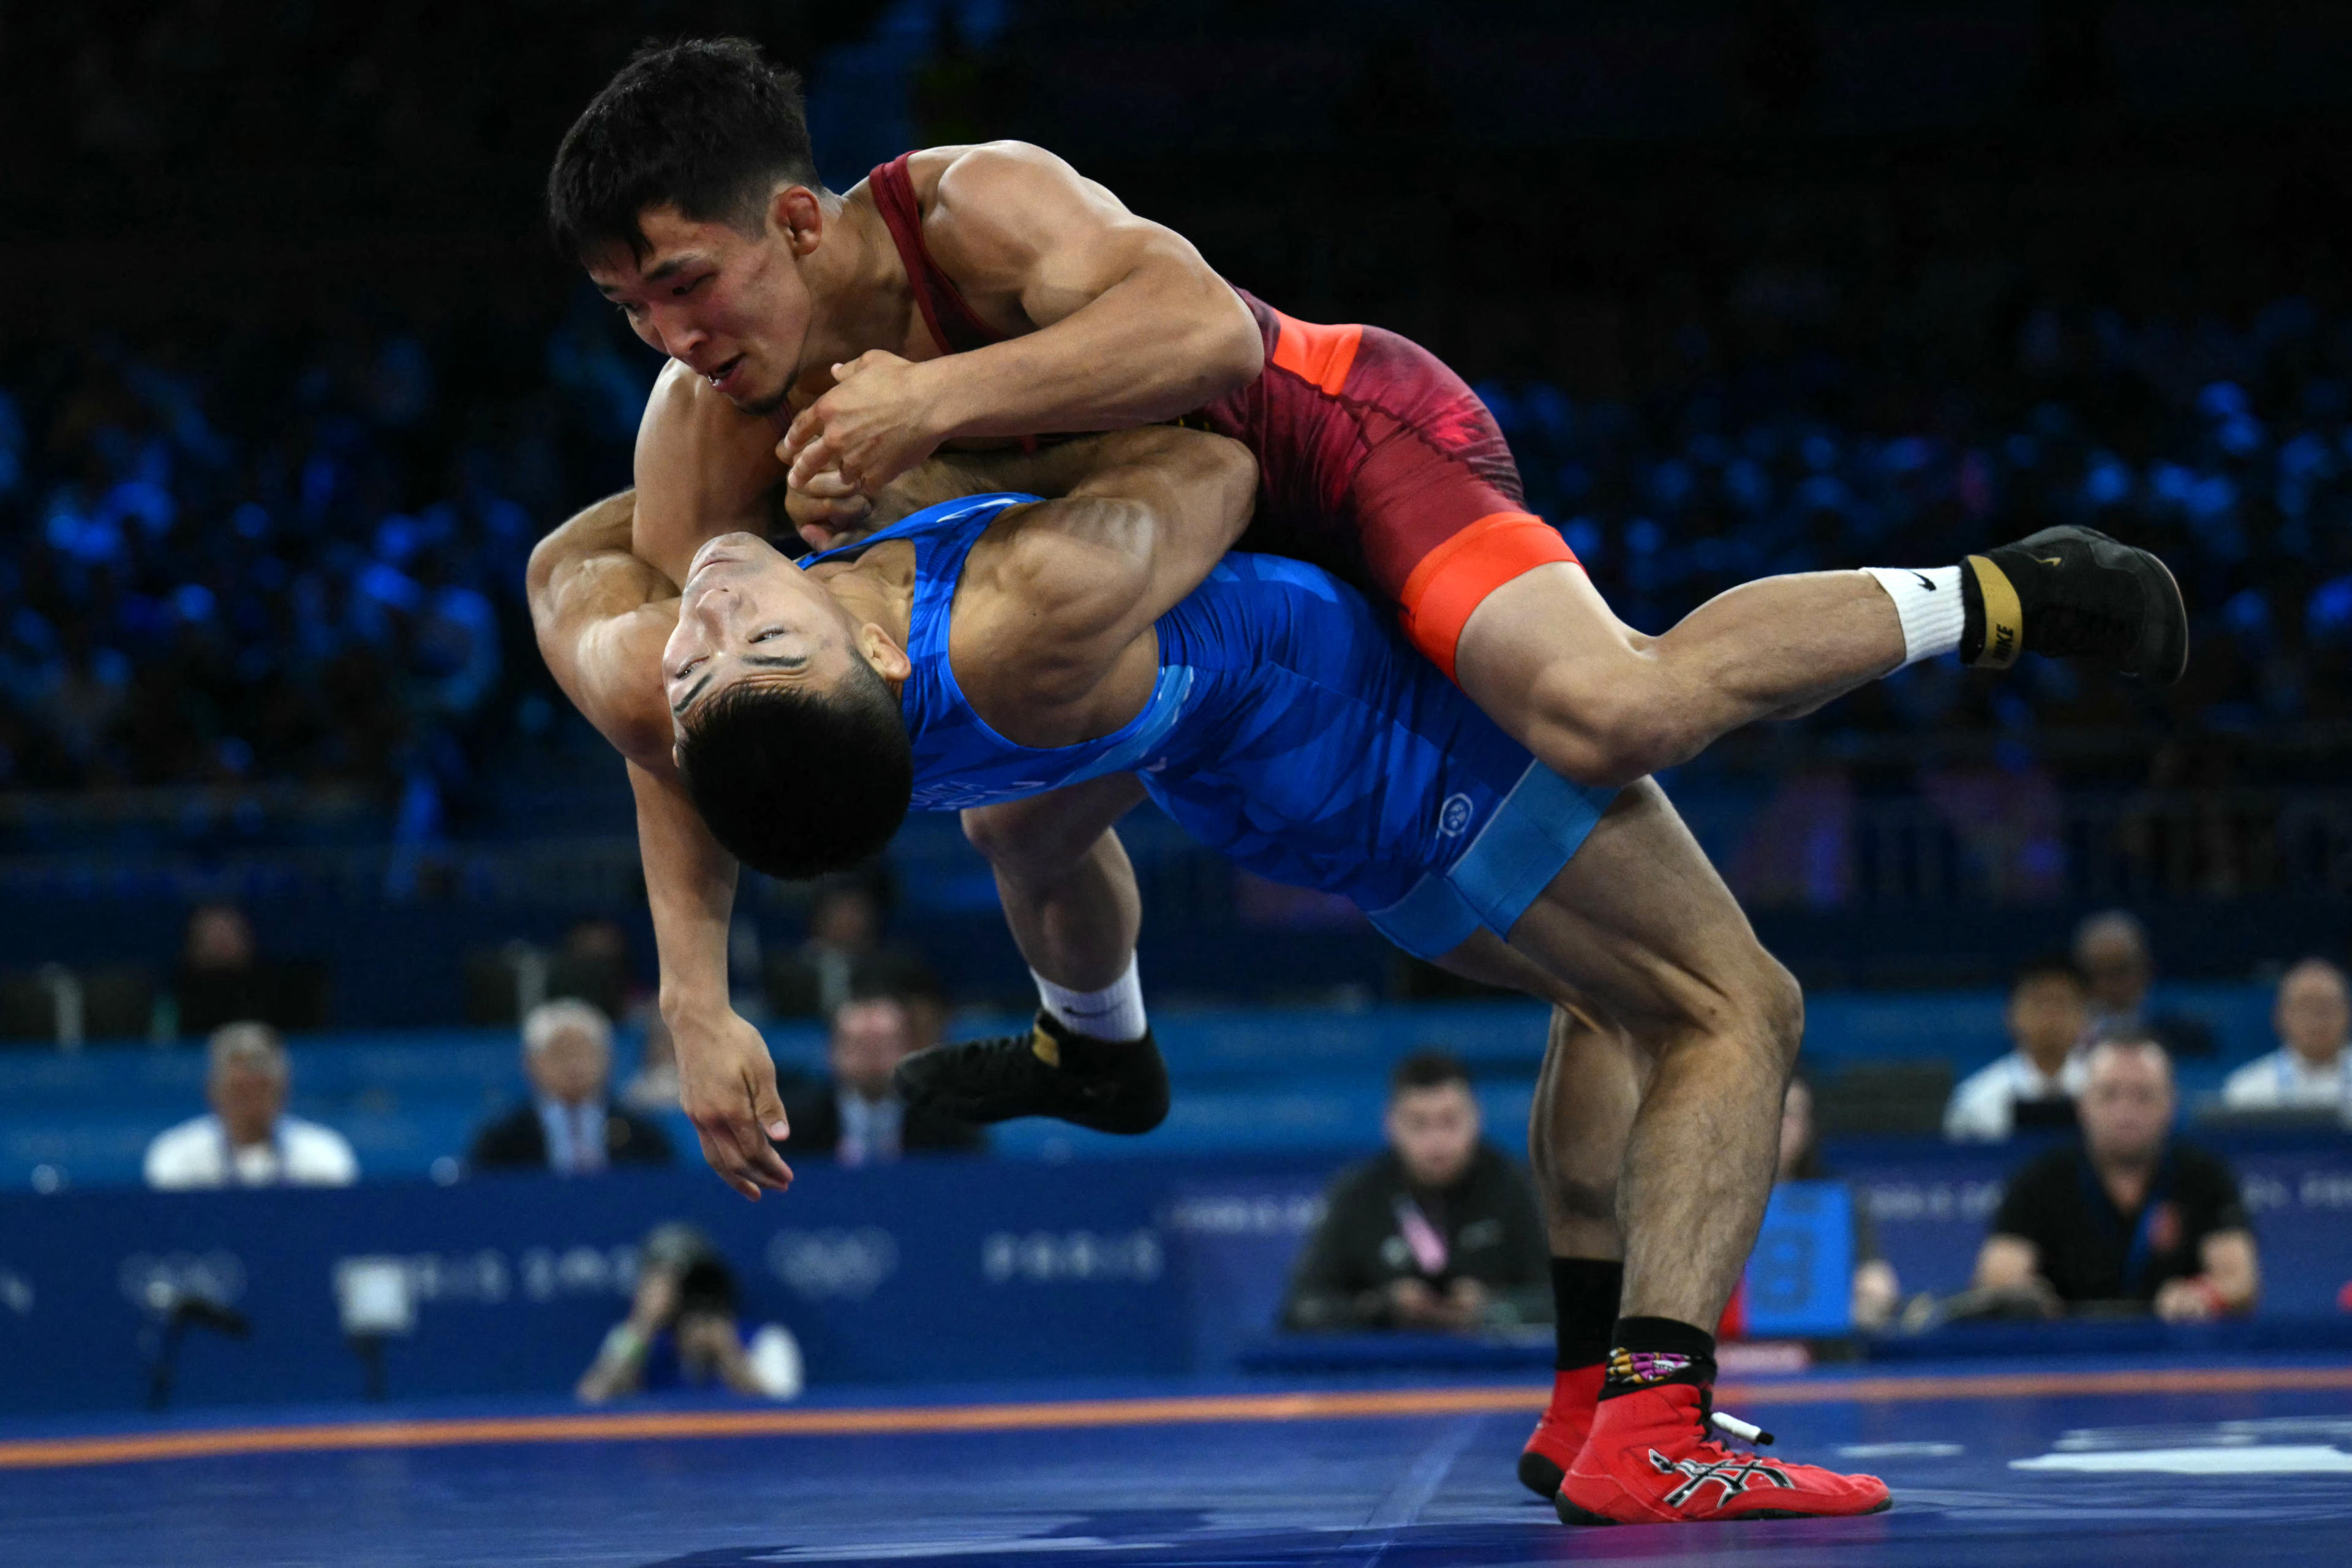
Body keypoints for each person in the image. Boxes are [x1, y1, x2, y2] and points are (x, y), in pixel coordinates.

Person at [533, 410, 2171, 1526]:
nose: (708, 620)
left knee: (1607, 1000)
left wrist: (698, 515)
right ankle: (2010, 593)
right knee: (1728, 981)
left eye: (707, 649)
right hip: (1364, 729)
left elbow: (590, 578)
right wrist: (949, 410)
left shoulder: (680, 673)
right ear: (873, 649)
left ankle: (1584, 1399)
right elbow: (1219, 453)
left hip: (1258, 781)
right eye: (746, 639)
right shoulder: (1010, 607)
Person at [1972, 1037, 2259, 1321]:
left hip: (2178, 1342)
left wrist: (2205, 1295)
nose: (2125, 1112)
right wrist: (2022, 1297)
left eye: (2143, 1096)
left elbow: (2240, 1281)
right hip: (2064, 1344)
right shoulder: (2039, 1179)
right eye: (2109, 1095)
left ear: (2171, 1104)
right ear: (2083, 1105)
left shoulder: (2205, 1176)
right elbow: (1998, 1278)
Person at [1280, 1051, 1548, 1333]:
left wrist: (1495, 1308)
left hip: (1495, 1359)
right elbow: (1300, 1309)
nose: (1436, 1141)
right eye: (1418, 1123)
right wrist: (1380, 1308)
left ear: (1476, 1118)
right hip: (1388, 1360)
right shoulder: (1358, 1193)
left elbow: (1568, 1300)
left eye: (1450, 1121)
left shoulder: (1517, 1186)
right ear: (1391, 1124)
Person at [577, 1222, 800, 1403]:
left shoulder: (766, 1340)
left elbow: (789, 1420)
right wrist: (644, 1325)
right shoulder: (633, 1338)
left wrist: (728, 1355)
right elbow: (589, 1403)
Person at [467, 999, 675, 1175]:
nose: (574, 1064)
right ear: (531, 1063)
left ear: (608, 1059)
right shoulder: (503, 1141)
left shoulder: (642, 1135)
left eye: (583, 1052)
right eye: (561, 1053)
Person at [143, 1022, 359, 1189]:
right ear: (212, 1090)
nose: (251, 1100)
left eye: (262, 1087)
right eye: (240, 1089)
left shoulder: (323, 1153)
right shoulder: (177, 1155)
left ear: (284, 1089)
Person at [780, 992, 984, 1164]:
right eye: (859, 1046)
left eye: (883, 1046)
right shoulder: (793, 1126)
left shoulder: (950, 1122)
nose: (872, 1059)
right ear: (833, 1052)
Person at [1774, 1077, 1900, 1332]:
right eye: (1770, 1112)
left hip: (1819, 1345)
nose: (1779, 1124)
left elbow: (1878, 1285)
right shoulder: (1718, 1200)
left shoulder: (1836, 1199)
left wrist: (1858, 1308)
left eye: (1791, 1114)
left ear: (1809, 1128)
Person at [1943, 957, 2092, 1142]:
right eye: (2039, 1003)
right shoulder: (1975, 1102)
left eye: (2062, 1003)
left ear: (2085, 1015)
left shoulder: (2106, 1092)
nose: (2050, 1015)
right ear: (2011, 1014)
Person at [2073, 909, 2216, 1057]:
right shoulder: (2069, 1040)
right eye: (2097, 973)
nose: (2108, 983)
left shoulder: (2183, 1037)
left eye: (2120, 970)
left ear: (2145, 969)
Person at [2221, 959, 2351, 1114]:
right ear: (2280, 1015)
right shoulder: (2247, 1091)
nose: (2316, 1020)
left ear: (2347, 1013)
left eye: (2326, 1008)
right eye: (2304, 1008)